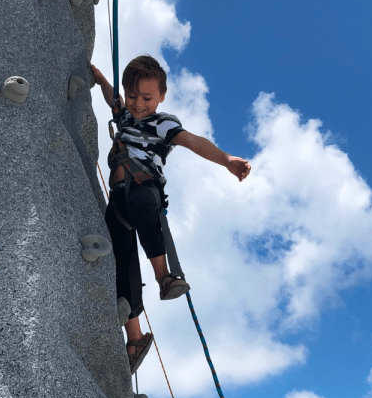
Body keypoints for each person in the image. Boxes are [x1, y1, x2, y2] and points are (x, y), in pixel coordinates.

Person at [90, 55, 251, 374]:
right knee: (120, 262)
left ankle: (164, 277)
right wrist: (98, 78)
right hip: (118, 196)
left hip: (143, 187)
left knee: (140, 205)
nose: (138, 104)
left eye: (147, 98)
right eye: (133, 96)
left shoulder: (162, 123)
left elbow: (193, 142)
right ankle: (134, 338)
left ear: (161, 96)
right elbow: (115, 100)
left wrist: (227, 160)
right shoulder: (124, 116)